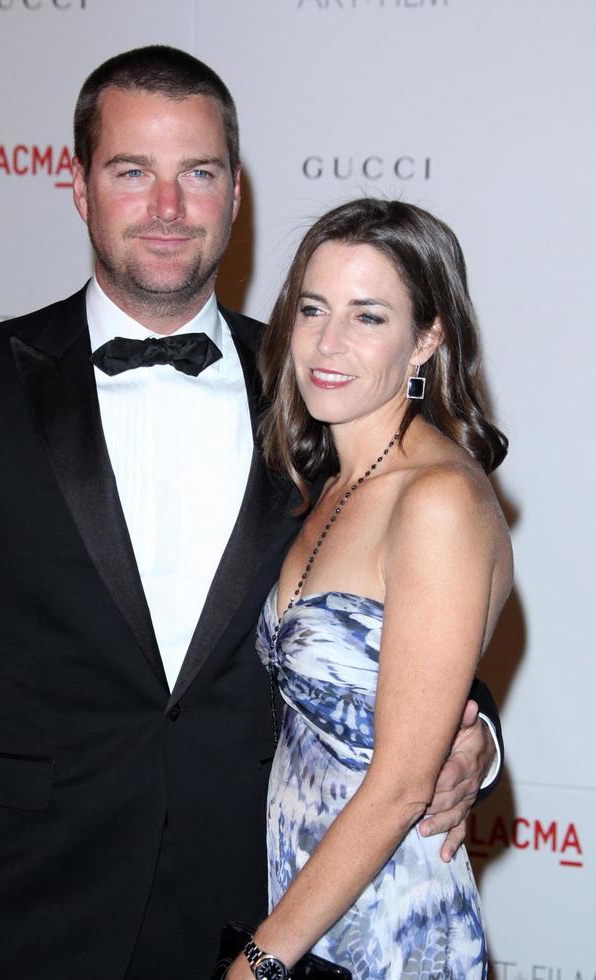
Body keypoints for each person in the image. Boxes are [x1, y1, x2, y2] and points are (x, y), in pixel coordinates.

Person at [0, 50, 501, 980]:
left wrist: (469, 731)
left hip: (247, 901)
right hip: (14, 898)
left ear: (235, 193)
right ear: (78, 189)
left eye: (198, 173)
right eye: (131, 172)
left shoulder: (315, 386)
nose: (167, 207)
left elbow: (401, 583)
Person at [225, 199, 512, 980]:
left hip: (386, 927)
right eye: (313, 308)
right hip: (299, 905)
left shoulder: (439, 499)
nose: (326, 342)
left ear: (427, 339)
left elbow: (401, 781)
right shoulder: (318, 481)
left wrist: (259, 961)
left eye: (368, 316)